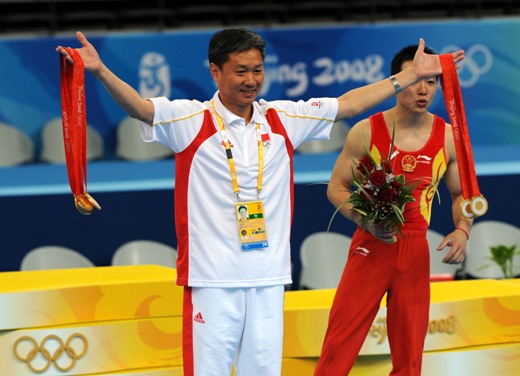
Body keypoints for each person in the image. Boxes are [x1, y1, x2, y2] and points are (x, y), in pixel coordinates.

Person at [56, 29, 464, 376]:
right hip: (212, 282)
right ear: (215, 72)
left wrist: (407, 76)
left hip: (269, 280)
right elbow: (141, 108)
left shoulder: (283, 118)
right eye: (240, 71)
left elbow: (349, 103)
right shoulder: (190, 120)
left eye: (257, 70)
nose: (251, 80)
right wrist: (101, 71)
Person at [314, 44, 472, 376]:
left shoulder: (447, 137)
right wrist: (366, 222)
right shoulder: (366, 131)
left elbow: (461, 194)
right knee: (338, 349)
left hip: (414, 254)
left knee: (410, 359)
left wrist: (462, 230)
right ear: (398, 80)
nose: (423, 89)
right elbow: (336, 188)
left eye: (431, 82)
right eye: (417, 79)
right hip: (370, 247)